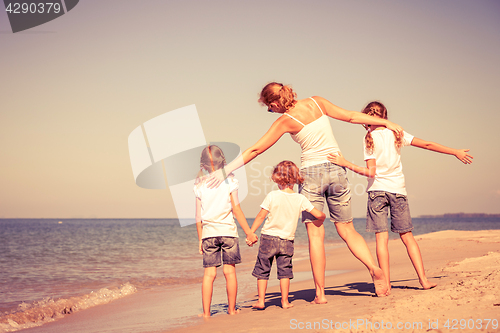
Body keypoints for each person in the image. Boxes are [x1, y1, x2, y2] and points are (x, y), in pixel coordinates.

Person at [208, 82, 404, 301]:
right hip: (337, 170)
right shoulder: (317, 102)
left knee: (316, 235)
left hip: (312, 174)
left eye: (269, 108)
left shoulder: (284, 121)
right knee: (347, 229)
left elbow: (255, 149)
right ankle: (373, 268)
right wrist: (386, 122)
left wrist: (224, 171)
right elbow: (351, 117)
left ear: (274, 102)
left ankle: (320, 294)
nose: (271, 112)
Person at [328, 101, 473, 292]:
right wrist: (454, 151)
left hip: (377, 192)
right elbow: (427, 145)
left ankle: (386, 285)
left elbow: (371, 173)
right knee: (408, 237)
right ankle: (423, 280)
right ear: (385, 116)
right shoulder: (397, 134)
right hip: (398, 190)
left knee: (382, 239)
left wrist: (345, 163)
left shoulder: (369, 138)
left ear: (366, 118)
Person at [247, 161, 325, 309]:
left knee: (263, 269)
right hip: (287, 240)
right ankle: (285, 301)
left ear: (279, 179)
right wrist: (322, 217)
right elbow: (316, 213)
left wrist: (251, 232)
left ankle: (261, 301)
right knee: (285, 271)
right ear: (295, 179)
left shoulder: (272, 195)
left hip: (268, 238)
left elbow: (260, 216)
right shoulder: (300, 198)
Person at [194, 145, 258, 317]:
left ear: (204, 165)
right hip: (228, 232)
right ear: (223, 161)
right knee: (229, 272)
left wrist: (200, 239)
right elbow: (236, 210)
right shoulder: (230, 180)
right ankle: (231, 310)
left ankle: (206, 313)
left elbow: (198, 218)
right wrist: (249, 233)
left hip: (208, 234)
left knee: (209, 274)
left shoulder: (199, 184)